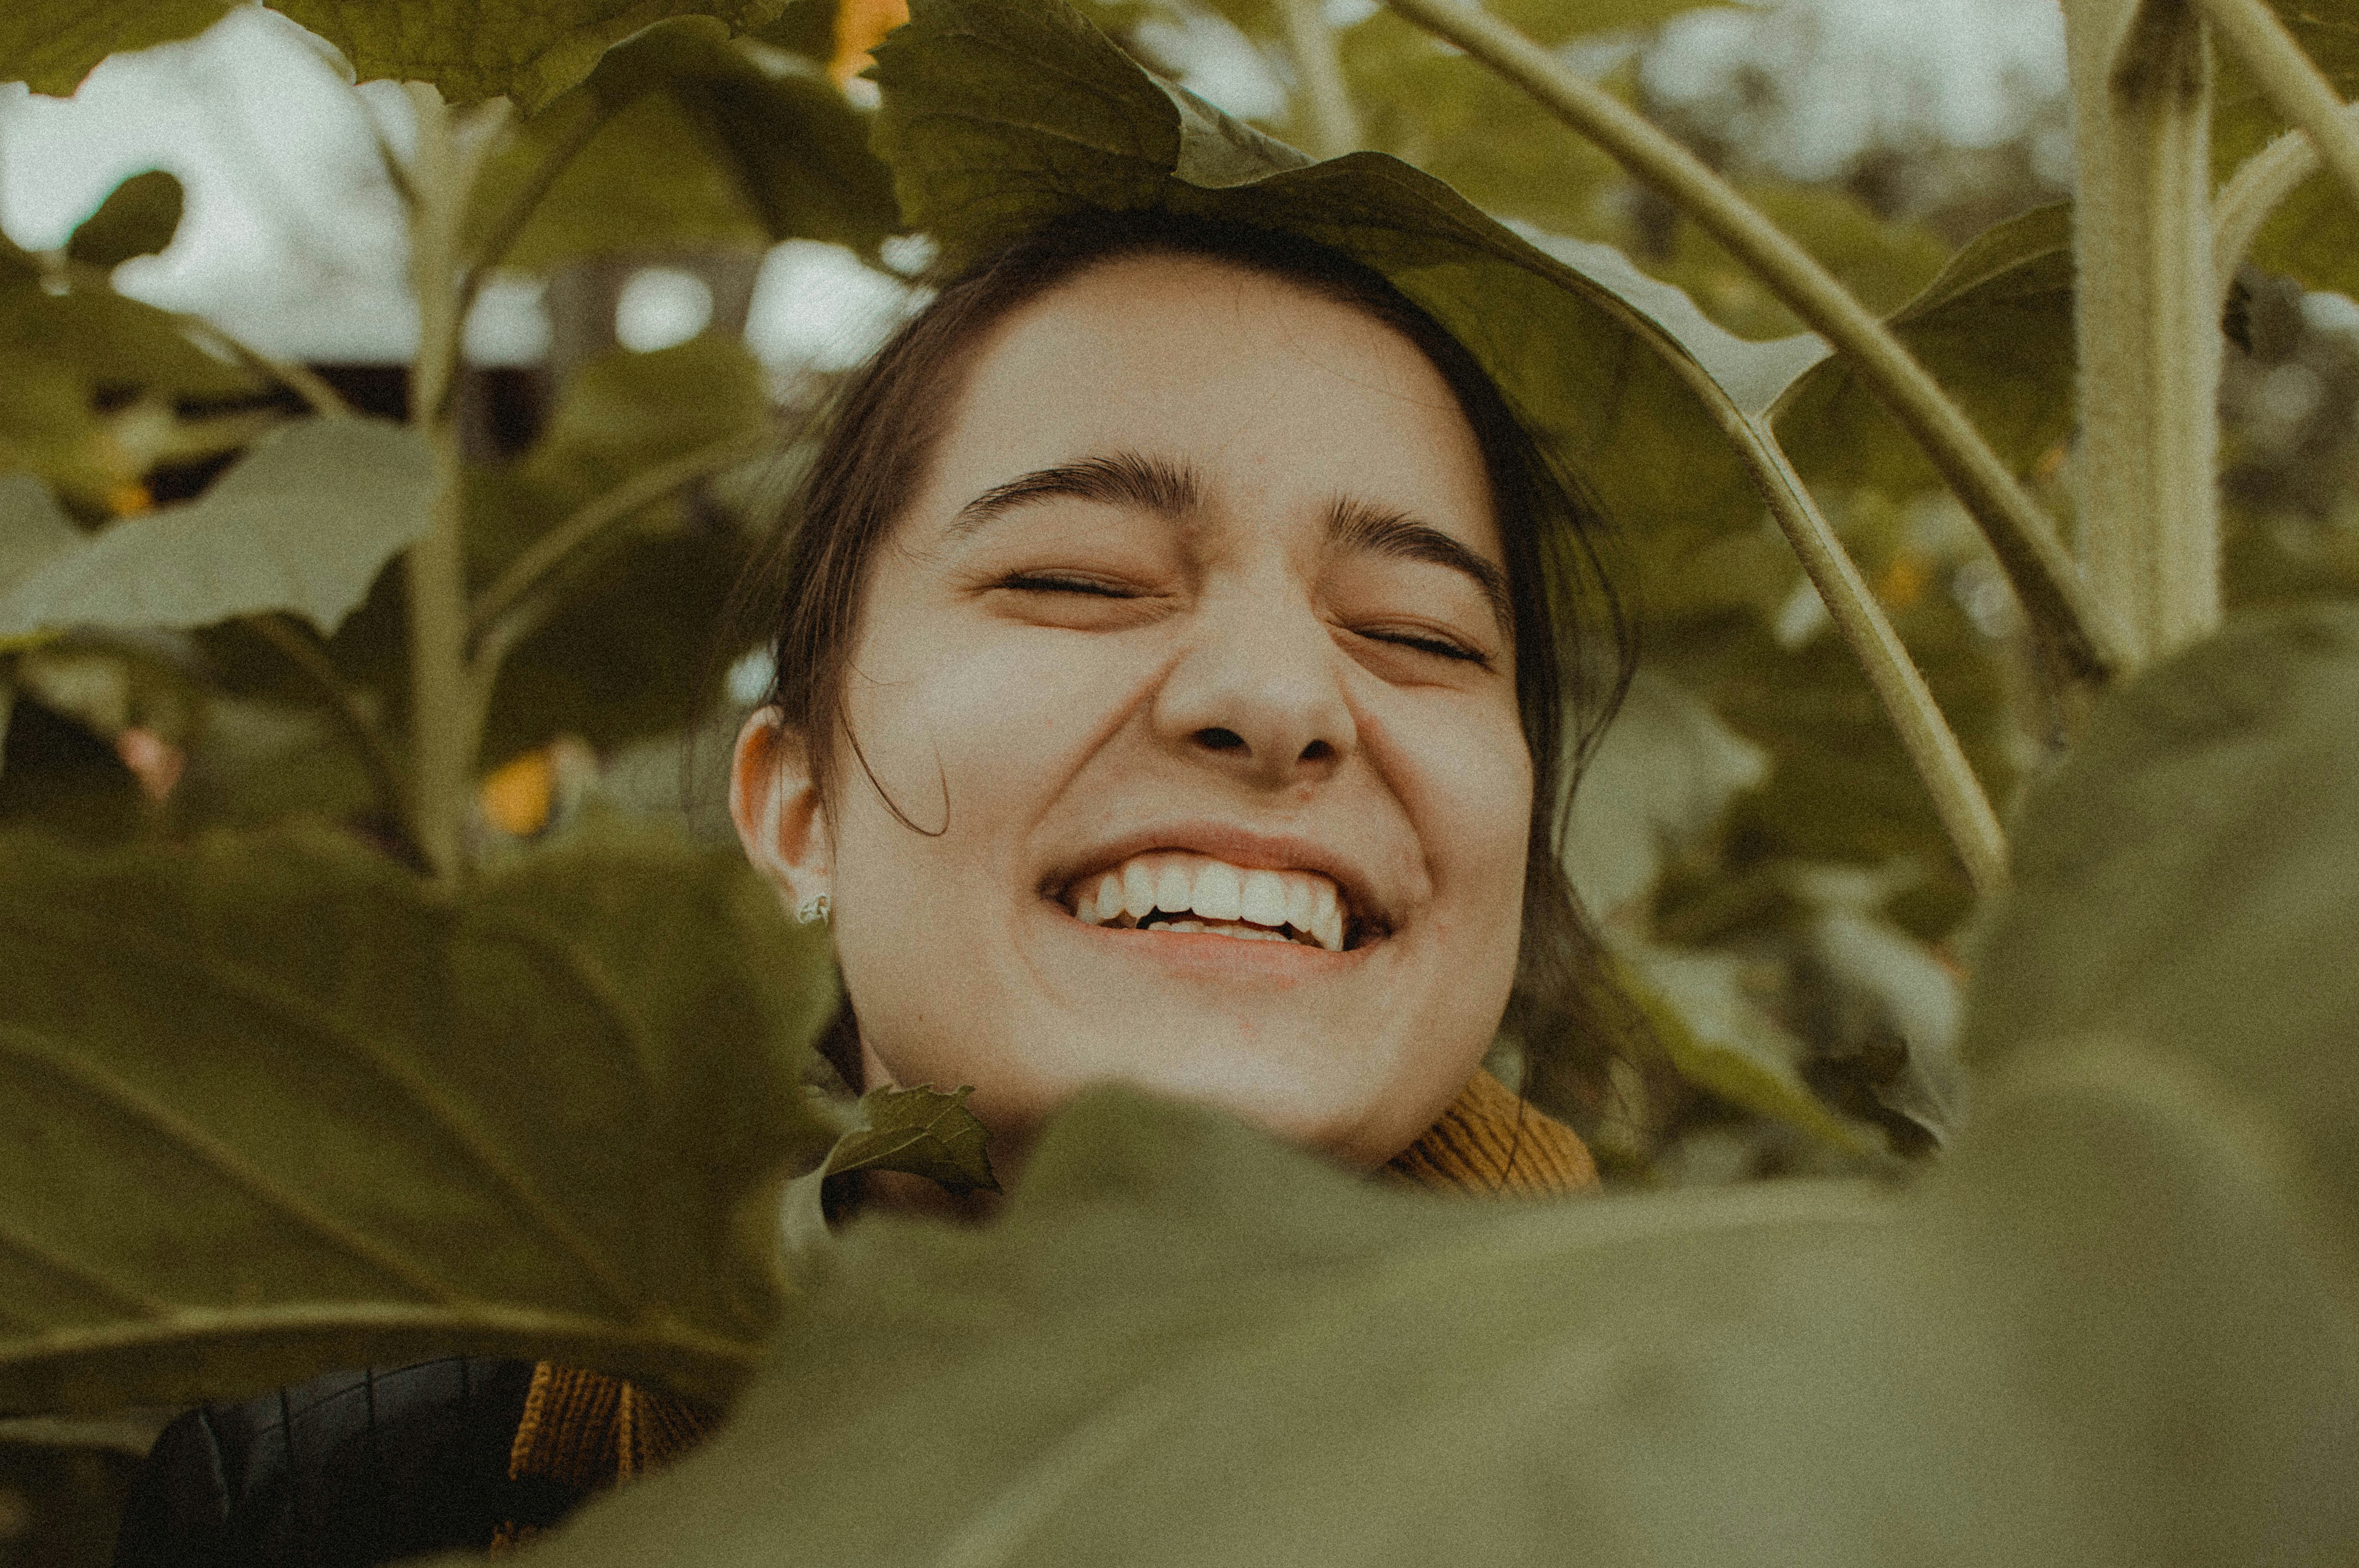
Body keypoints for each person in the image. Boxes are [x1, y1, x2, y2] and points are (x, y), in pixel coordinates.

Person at [111, 204, 1636, 1568]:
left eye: (1422, 634)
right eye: (1079, 579)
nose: (1274, 695)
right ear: (796, 814)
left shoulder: (1802, 1468)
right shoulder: (331, 1494)